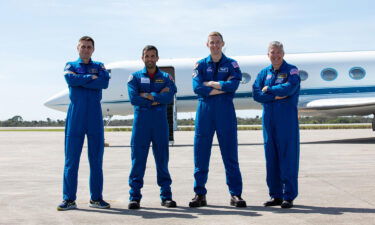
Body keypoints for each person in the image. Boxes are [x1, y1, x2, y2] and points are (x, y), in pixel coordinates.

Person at [190, 31, 246, 208]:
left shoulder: (231, 64)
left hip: (225, 112)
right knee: (201, 154)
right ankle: (199, 194)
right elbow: (197, 87)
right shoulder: (200, 65)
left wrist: (212, 84)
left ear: (223, 44)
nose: (214, 45)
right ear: (207, 45)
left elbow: (234, 85)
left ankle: (235, 194)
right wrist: (223, 86)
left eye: (217, 42)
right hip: (205, 112)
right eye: (211, 42)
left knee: (230, 154)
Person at [57, 36, 111, 211]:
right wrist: (91, 78)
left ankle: (96, 198)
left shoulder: (100, 66)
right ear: (77, 48)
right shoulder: (70, 65)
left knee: (96, 159)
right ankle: (69, 199)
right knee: (71, 160)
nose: (86, 49)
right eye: (83, 46)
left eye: (89, 47)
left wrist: (83, 79)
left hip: (94, 116)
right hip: (76, 116)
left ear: (93, 49)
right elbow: (70, 80)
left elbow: (104, 82)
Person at [127, 45, 177, 209]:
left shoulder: (166, 77)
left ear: (157, 58)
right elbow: (134, 98)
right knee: (138, 161)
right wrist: (157, 97)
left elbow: (169, 96)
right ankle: (134, 197)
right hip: (141, 124)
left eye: (152, 56)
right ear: (142, 58)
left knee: (162, 160)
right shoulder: (134, 77)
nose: (150, 58)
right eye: (147, 56)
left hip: (159, 124)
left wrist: (147, 95)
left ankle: (166, 196)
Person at [252, 41, 301, 209]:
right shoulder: (263, 73)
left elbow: (289, 88)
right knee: (271, 157)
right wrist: (275, 95)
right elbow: (256, 94)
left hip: (286, 119)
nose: (276, 55)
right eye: (273, 52)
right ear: (268, 55)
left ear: (283, 53)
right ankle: (276, 195)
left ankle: (289, 195)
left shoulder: (291, 70)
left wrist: (269, 90)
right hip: (268, 119)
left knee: (288, 156)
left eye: (279, 52)